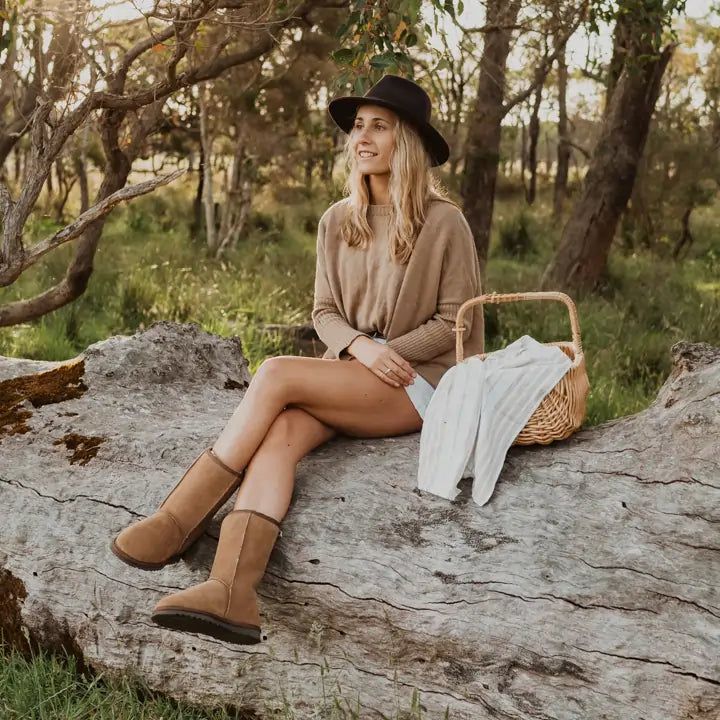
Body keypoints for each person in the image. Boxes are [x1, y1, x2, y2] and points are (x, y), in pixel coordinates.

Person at [111, 74, 484, 645]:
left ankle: (180, 518)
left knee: (277, 372)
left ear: (406, 143)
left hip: (420, 382)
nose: (362, 137)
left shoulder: (443, 223)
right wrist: (360, 347)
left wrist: (387, 353)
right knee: (281, 431)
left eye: (378, 127)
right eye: (357, 126)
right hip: (357, 373)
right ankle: (231, 590)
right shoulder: (338, 220)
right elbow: (324, 312)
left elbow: (455, 322)